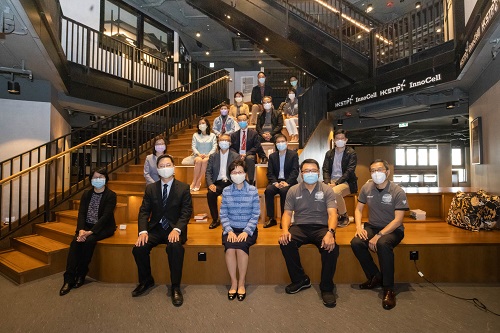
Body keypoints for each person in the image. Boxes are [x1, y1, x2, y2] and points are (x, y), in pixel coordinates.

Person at [131, 154, 193, 306]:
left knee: (175, 247)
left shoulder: (183, 188)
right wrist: (143, 231)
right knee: (138, 248)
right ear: (158, 170)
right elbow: (144, 211)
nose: (165, 168)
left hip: (174, 229)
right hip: (156, 228)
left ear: (173, 168)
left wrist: (177, 229)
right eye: (162, 166)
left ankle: (175, 286)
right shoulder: (151, 188)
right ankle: (146, 281)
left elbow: (186, 212)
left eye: (168, 165)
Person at [279, 158, 339, 308]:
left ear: (318, 173)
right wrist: (285, 230)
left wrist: (330, 232)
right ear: (301, 173)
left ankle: (327, 287)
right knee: (286, 242)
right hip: (300, 226)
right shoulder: (293, 190)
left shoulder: (327, 190)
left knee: (332, 248)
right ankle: (300, 280)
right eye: (306, 171)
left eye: (313, 170)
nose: (310, 173)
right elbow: (287, 214)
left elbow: (333, 214)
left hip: (321, 227)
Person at [350, 159, 409, 310]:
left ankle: (388, 288)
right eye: (373, 171)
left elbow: (398, 220)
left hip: (393, 230)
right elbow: (358, 209)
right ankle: (375, 276)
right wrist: (358, 227)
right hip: (373, 226)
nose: (376, 173)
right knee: (356, 242)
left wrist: (379, 235)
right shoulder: (366, 187)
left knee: (383, 244)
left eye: (380, 170)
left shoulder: (397, 191)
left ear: (387, 172)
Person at [60, 167, 117, 296]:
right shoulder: (86, 194)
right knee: (75, 243)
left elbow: (106, 217)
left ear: (106, 179)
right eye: (95, 177)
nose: (98, 180)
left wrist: (90, 232)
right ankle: (68, 279)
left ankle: (81, 274)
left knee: (89, 242)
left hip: (103, 228)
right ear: (91, 180)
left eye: (101, 177)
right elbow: (82, 214)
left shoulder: (111, 195)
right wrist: (81, 230)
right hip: (85, 227)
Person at [220, 159, 260, 301]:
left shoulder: (252, 190)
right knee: (230, 248)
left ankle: (241, 282)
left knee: (241, 247)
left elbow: (256, 214)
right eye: (234, 172)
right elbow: (223, 213)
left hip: (247, 228)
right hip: (231, 228)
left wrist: (246, 231)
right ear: (230, 175)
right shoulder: (226, 191)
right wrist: (229, 230)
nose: (237, 174)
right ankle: (234, 282)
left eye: (240, 172)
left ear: (245, 173)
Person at [322, 129, 358, 226]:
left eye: (342, 138)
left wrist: (336, 183)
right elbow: (325, 169)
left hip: (346, 182)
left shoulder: (351, 153)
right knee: (318, 190)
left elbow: (349, 171)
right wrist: (327, 182)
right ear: (334, 140)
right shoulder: (329, 153)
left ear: (346, 140)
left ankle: (343, 215)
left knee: (335, 192)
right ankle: (323, 216)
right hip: (331, 181)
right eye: (337, 138)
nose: (340, 140)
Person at [263, 134, 299, 228]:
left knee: (284, 191)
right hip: (276, 181)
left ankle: (284, 218)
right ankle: (271, 218)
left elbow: (295, 171)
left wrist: (287, 183)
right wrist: (275, 183)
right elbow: (270, 173)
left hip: (289, 182)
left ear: (287, 143)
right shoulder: (272, 156)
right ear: (276, 144)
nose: (280, 144)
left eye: (282, 141)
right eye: (278, 142)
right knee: (269, 190)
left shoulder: (293, 155)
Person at [206, 133, 240, 229]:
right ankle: (215, 219)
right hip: (217, 183)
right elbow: (208, 172)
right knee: (210, 194)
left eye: (226, 140)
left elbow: (237, 172)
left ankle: (233, 219)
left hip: (231, 182)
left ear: (230, 143)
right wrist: (210, 184)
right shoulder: (213, 156)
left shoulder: (235, 156)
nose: (224, 142)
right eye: (222, 140)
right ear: (218, 142)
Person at [230, 113, 265, 185]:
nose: (242, 122)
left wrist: (246, 154)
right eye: (240, 120)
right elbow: (232, 147)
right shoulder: (234, 135)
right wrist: (238, 155)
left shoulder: (254, 133)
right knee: (232, 158)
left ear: (247, 121)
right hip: (238, 155)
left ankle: (251, 181)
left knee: (249, 158)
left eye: (244, 120)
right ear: (237, 122)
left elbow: (256, 146)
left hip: (249, 154)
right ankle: (233, 181)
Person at [190, 117, 217, 191]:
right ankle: (194, 181)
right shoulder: (195, 135)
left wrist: (208, 154)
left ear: (207, 125)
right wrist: (198, 154)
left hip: (209, 156)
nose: (201, 125)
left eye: (203, 123)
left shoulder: (212, 135)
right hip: (197, 155)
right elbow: (193, 146)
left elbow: (214, 147)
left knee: (205, 161)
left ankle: (199, 181)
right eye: (200, 124)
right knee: (199, 161)